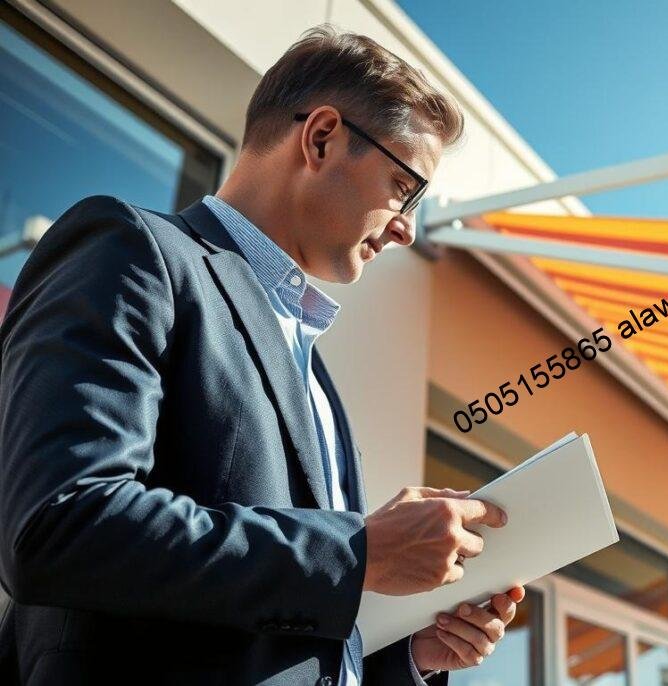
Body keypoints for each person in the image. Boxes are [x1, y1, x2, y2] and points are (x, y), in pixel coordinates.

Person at [0, 25, 522, 685]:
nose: (407, 228)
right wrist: (360, 552)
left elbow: (278, 636)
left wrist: (411, 658)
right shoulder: (133, 250)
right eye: (404, 186)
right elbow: (60, 522)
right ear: (322, 137)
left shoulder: (317, 376)